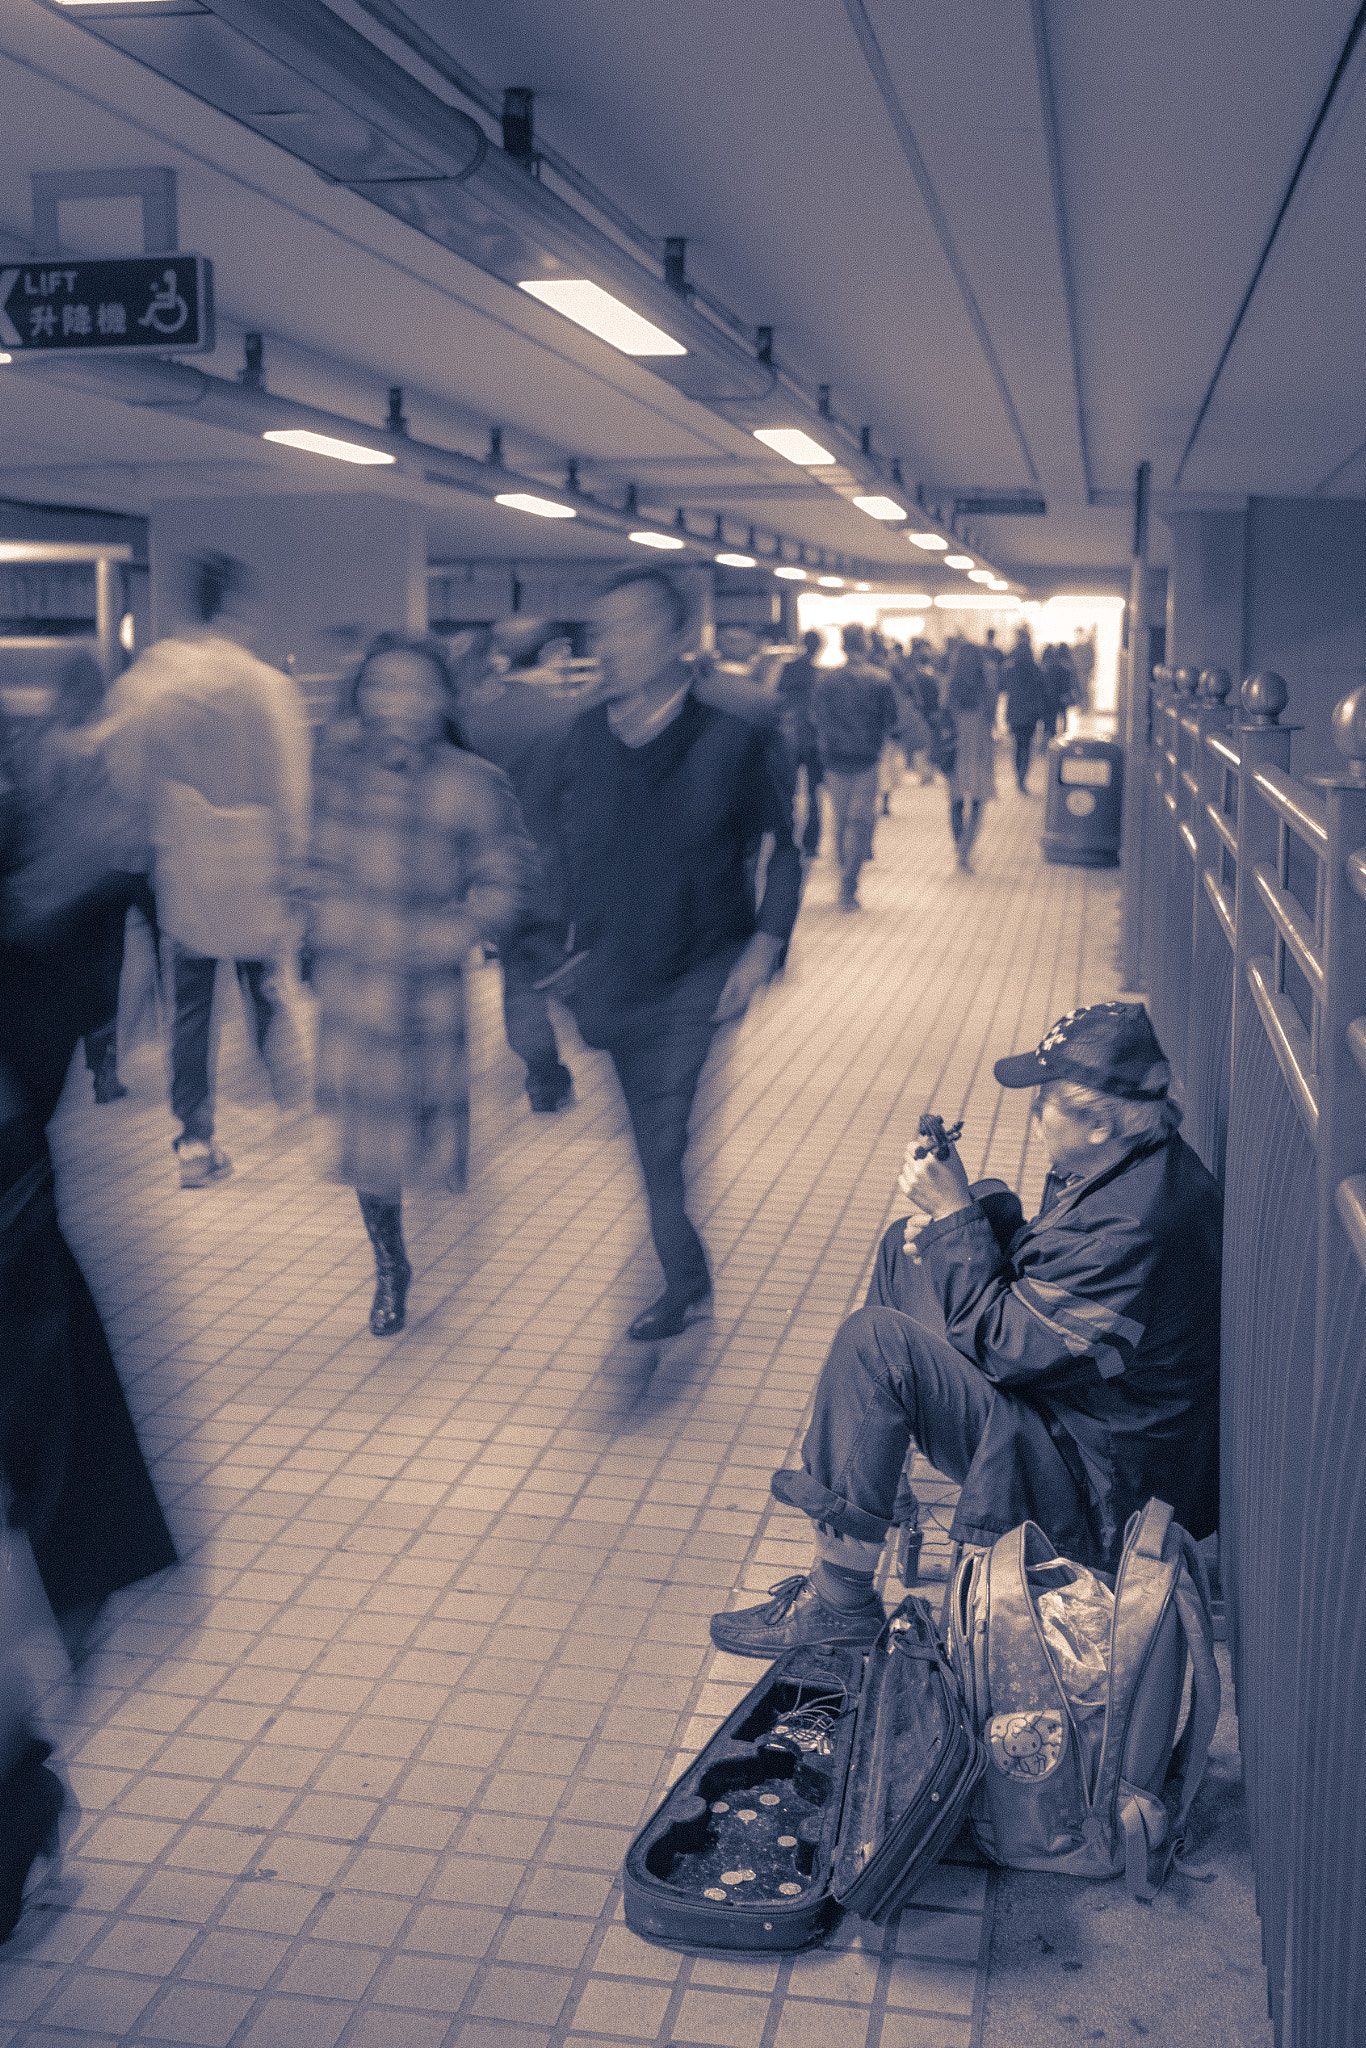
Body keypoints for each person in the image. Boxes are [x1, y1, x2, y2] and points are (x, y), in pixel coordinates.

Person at [709, 1004, 1221, 1656]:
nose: (1033, 1115)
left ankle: (840, 1604)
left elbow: (1008, 1348)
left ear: (1098, 1123)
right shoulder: (1132, 1163)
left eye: (1045, 1102)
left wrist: (956, 1217)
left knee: (875, 1346)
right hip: (1080, 1414)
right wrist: (958, 1227)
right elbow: (1044, 1308)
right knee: (907, 1246)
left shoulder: (1137, 1224)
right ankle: (872, 1491)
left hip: (1094, 1485)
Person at [559, 565, 801, 1344]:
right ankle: (688, 1271)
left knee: (665, 1134)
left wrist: (766, 942)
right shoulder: (584, 739)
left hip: (704, 967)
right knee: (649, 1143)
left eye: (630, 628)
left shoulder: (733, 739)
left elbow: (784, 848)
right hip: (617, 970)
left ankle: (675, 1284)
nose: (611, 646)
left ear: (676, 640)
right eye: (602, 630)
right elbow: (562, 850)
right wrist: (558, 951)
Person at [306, 633, 536, 1337]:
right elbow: (310, 860)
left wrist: (456, 930)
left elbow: (507, 877)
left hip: (427, 993)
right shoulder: (335, 771)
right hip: (352, 987)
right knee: (367, 1146)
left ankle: (409, 1229)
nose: (396, 703)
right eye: (381, 686)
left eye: (414, 687)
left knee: (427, 1133)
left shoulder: (472, 782)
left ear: (443, 699)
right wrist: (318, 913)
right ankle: (389, 1264)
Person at [100, 555, 312, 1188]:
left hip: (188, 867)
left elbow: (124, 769)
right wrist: (294, 867)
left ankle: (195, 1139)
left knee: (191, 1008)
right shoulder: (269, 687)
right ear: (237, 608)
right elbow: (290, 788)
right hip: (256, 866)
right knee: (265, 987)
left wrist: (165, 817)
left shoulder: (153, 681)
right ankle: (290, 1096)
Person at [455, 620, 580, 1114]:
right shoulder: (563, 715)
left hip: (497, 872)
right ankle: (597, 1034)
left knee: (521, 973)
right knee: (552, 967)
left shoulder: (470, 722)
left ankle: (545, 1078)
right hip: (556, 866)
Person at [811, 624, 899, 910]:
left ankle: (843, 879)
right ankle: (848, 887)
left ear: (844, 646)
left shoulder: (826, 681)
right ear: (865, 645)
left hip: (834, 760)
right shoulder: (880, 680)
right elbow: (892, 720)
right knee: (859, 824)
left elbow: (816, 717)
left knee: (841, 821)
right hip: (866, 760)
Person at [945, 638, 995, 870]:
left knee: (955, 802)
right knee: (977, 802)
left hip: (955, 749)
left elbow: (943, 710)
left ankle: (959, 847)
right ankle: (965, 851)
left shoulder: (951, 683)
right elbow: (992, 714)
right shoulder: (986, 682)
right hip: (979, 747)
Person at [776, 629, 824, 855]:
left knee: (789, 791)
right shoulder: (820, 675)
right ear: (819, 647)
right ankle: (811, 843)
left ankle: (786, 837)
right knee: (815, 794)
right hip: (814, 739)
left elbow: (778, 701)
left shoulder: (788, 669)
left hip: (790, 737)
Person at [1003, 628, 1046, 794]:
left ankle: (1017, 775)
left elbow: (1006, 688)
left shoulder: (1010, 670)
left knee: (1017, 745)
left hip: (1014, 713)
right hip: (1030, 714)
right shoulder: (1035, 670)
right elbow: (1041, 691)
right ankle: (1022, 777)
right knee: (1026, 746)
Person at [1040, 641, 1078, 739]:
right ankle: (1063, 735)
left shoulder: (1047, 667)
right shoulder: (1066, 666)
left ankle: (1050, 735)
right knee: (1063, 715)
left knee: (1051, 717)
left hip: (1050, 696)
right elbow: (1070, 682)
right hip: (1062, 695)